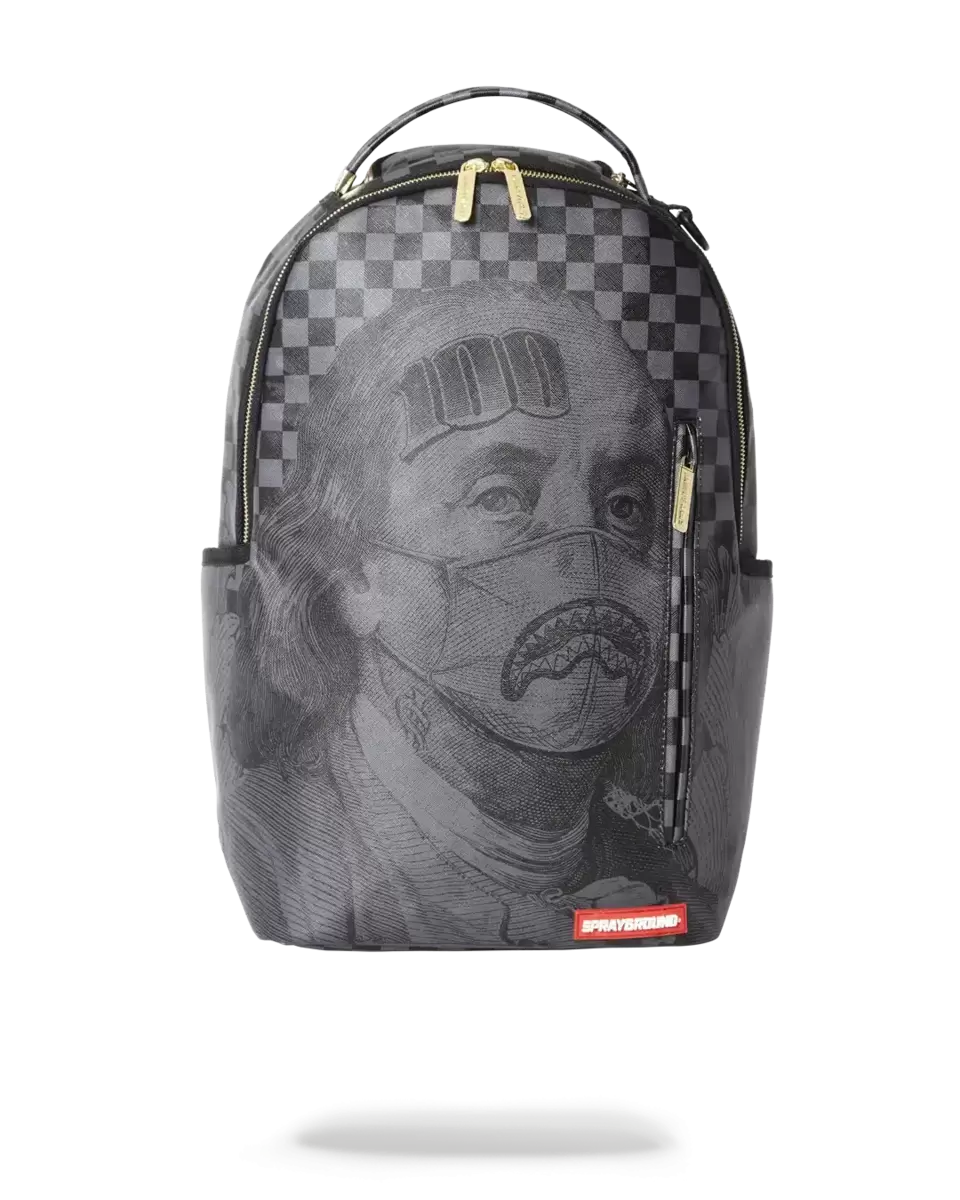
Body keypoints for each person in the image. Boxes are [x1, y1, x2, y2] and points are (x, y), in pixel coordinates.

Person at [215, 280, 716, 947]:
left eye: (625, 505)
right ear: (351, 569)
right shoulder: (275, 844)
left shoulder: (674, 881)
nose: (585, 566)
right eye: (499, 497)